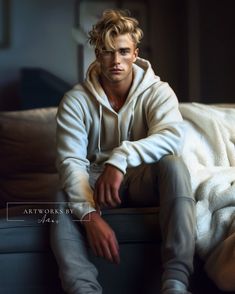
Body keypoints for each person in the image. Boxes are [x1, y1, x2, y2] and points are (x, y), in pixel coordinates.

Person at [50, 9, 195, 294]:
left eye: (123, 51)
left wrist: (120, 159)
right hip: (95, 184)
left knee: (174, 165)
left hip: (141, 179)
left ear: (135, 53)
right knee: (61, 194)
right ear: (97, 55)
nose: (115, 61)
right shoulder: (75, 101)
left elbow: (173, 137)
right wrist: (90, 216)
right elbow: (71, 162)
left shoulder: (158, 91)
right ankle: (84, 290)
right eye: (106, 52)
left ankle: (176, 285)